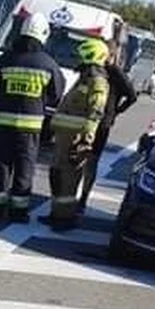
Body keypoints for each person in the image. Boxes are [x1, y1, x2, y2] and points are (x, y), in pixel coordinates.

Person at [0, 11, 64, 223]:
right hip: (30, 126)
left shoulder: (6, 58)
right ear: (43, 35)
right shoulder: (48, 64)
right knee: (24, 167)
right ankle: (18, 211)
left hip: (3, 121)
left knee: (1, 164)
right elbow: (56, 95)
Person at [45, 37, 110, 229]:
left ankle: (65, 219)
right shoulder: (84, 78)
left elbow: (96, 110)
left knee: (69, 180)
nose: (77, 60)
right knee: (57, 175)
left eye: (81, 56)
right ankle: (56, 214)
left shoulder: (97, 81)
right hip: (65, 137)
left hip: (75, 139)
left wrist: (85, 139)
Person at [85, 40, 137, 209]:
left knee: (91, 162)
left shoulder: (114, 72)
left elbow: (132, 96)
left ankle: (83, 198)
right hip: (87, 119)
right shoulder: (91, 69)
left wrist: (116, 111)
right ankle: (73, 198)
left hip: (102, 123)